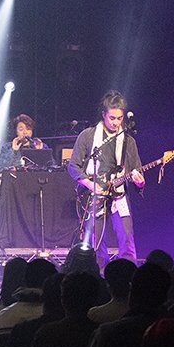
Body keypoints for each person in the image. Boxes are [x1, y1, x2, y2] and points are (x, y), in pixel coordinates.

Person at [67, 90, 145, 265]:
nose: (116, 122)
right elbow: (73, 166)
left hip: (119, 194)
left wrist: (140, 182)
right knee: (96, 239)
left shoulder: (128, 141)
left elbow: (136, 170)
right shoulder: (87, 136)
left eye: (120, 118)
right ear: (103, 114)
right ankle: (99, 270)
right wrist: (90, 184)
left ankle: (128, 270)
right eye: (112, 118)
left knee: (126, 235)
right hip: (93, 195)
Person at [0, 114, 49, 247]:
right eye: (21, 129)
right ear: (16, 131)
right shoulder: (8, 147)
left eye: (28, 129)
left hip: (32, 186)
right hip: (12, 187)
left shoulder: (39, 145)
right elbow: (1, 167)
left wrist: (39, 152)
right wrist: (14, 151)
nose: (25, 132)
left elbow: (50, 167)